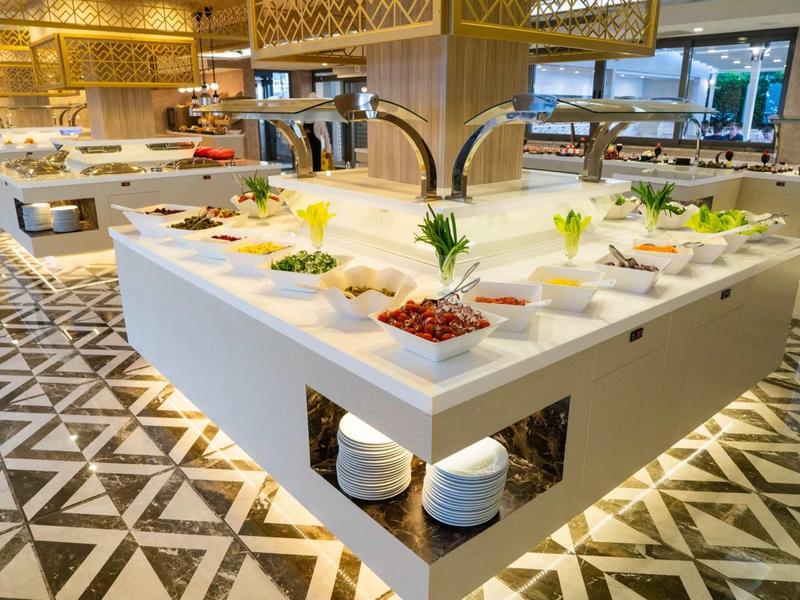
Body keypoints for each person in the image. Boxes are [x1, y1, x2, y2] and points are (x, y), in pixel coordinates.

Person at [303, 92, 333, 171]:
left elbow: (326, 136)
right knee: (305, 167)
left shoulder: (320, 118)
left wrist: (328, 150)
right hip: (305, 146)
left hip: (315, 145)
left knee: (316, 168)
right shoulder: (302, 117)